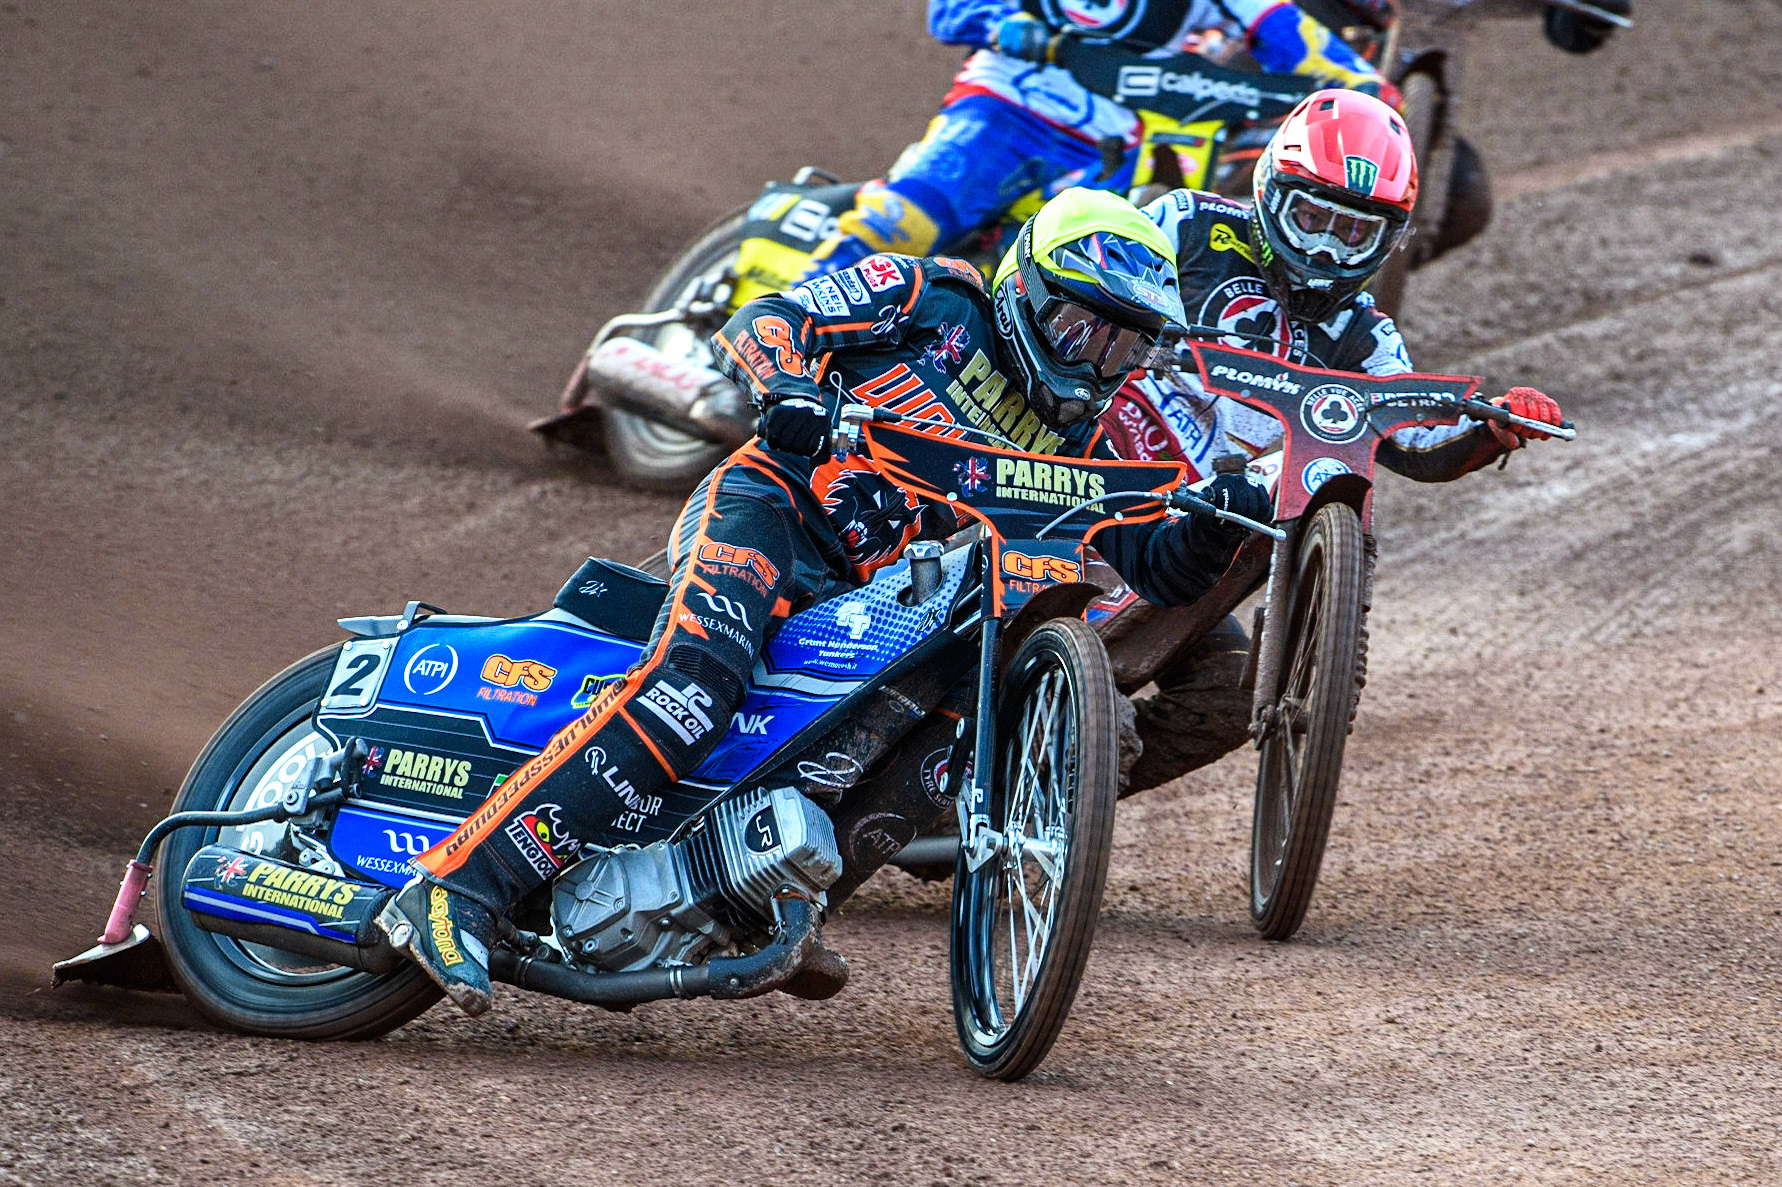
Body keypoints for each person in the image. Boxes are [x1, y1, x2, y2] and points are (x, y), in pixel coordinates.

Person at [378, 189, 1274, 1016]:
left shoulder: (1087, 441)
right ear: (1026, 292)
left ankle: (764, 899)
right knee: (693, 689)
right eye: (1084, 329)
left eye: (1125, 347)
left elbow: (1157, 568)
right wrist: (788, 388)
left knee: (936, 747)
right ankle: (458, 884)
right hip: (773, 511)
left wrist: (1214, 526)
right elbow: (771, 317)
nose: (1097, 363)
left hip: (872, 598)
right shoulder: (934, 296)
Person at [1103, 87, 1566, 794]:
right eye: (1312, 218)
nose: (1324, 248)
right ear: (1271, 190)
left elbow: (1412, 433)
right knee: (1089, 704)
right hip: (1091, 484)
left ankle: (1049, 810)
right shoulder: (1187, 223)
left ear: (1388, 241)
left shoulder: (1366, 336)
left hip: (1202, 536)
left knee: (1226, 700)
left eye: (1352, 234)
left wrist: (1489, 427)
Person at [799, 0, 1397, 280]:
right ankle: (786, 329)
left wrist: (1362, 86)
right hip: (1004, 107)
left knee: (1089, 274)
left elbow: (1289, 32)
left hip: (1112, 144)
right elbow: (950, 11)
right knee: (905, 221)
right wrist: (1007, 25)